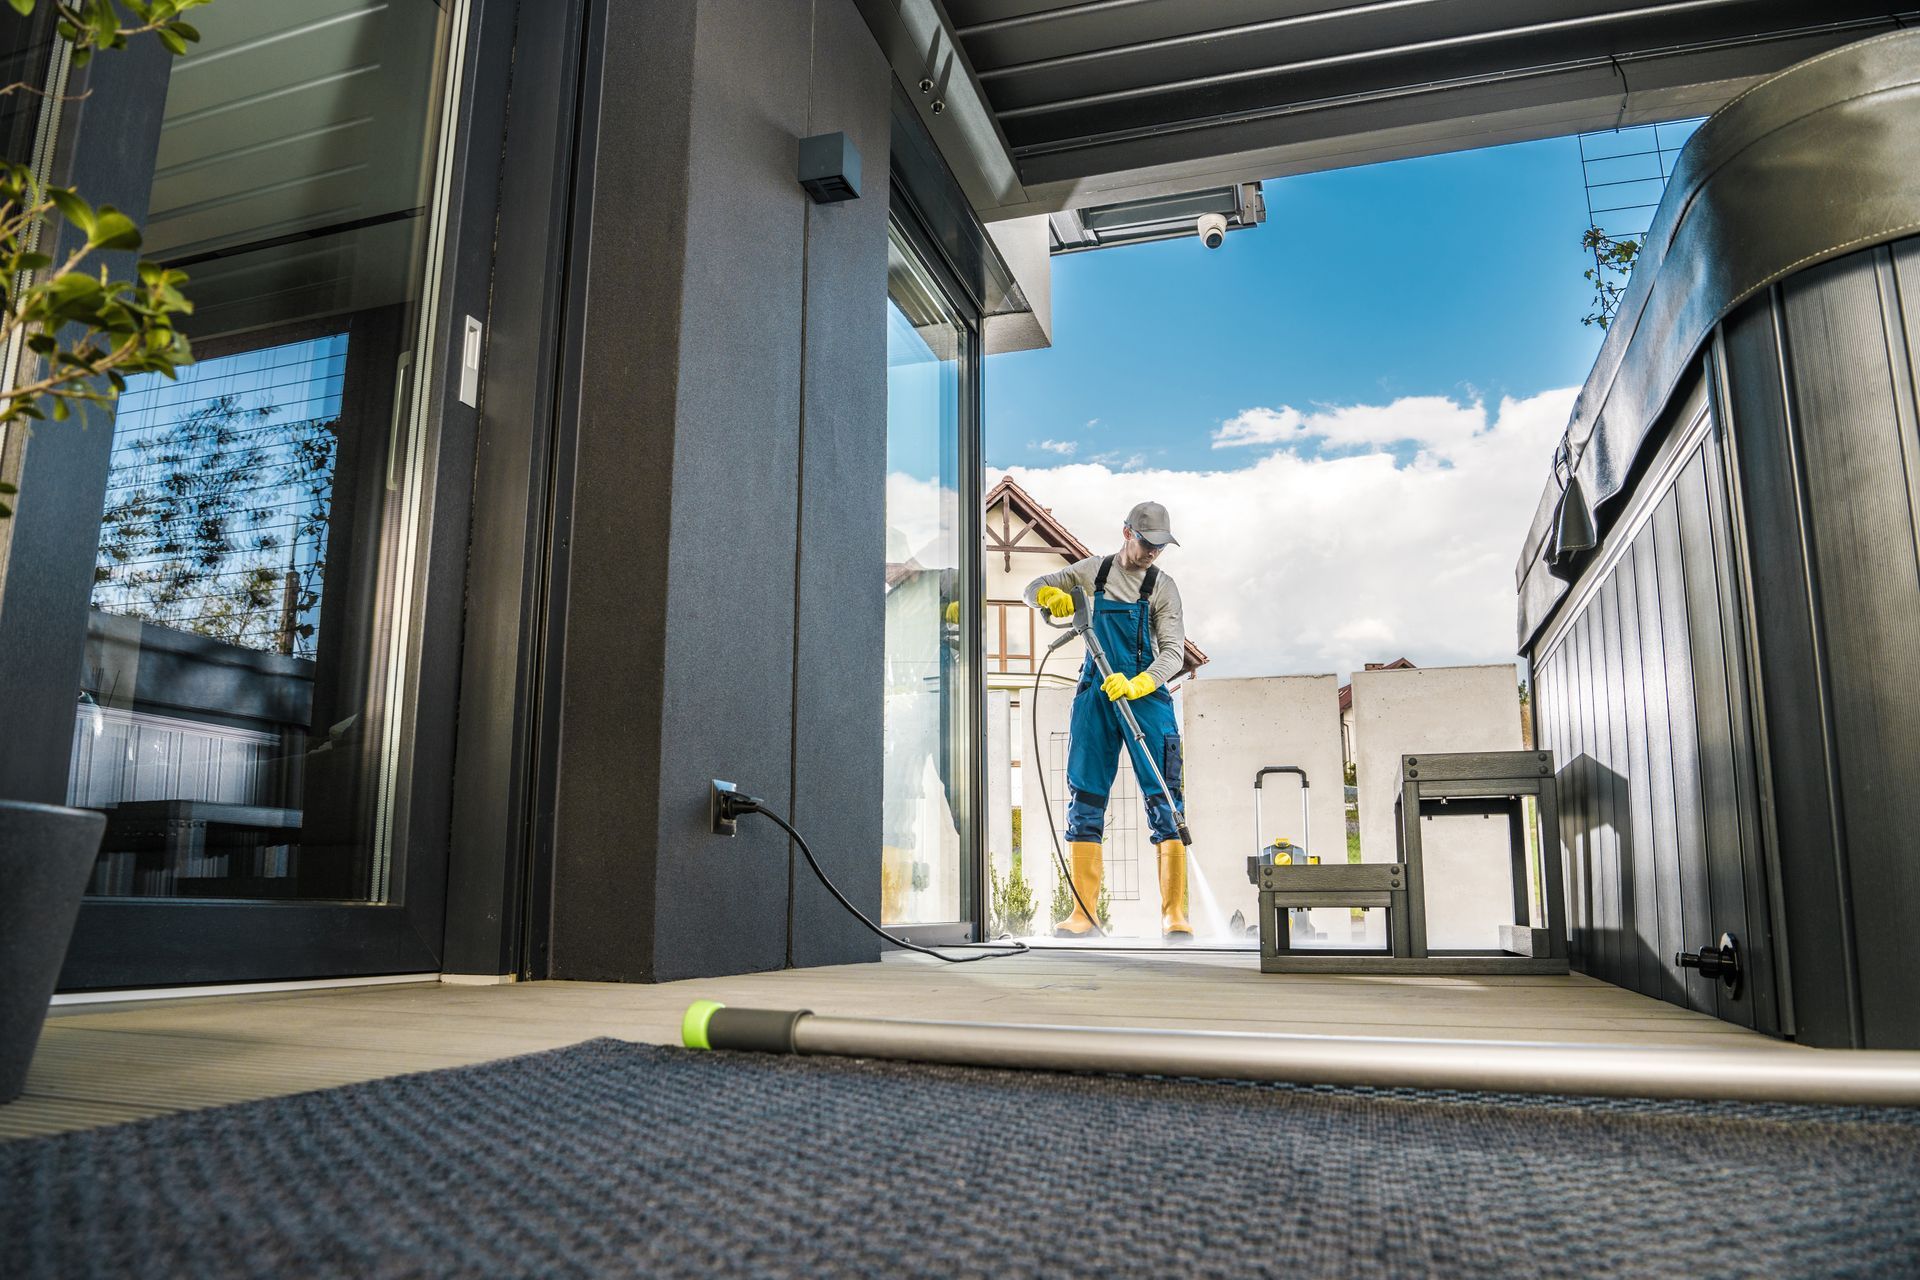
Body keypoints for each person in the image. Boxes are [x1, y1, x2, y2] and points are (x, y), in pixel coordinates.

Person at [1023, 500, 1191, 940]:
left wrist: (1138, 684)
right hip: (1096, 694)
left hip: (1146, 699)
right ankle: (1084, 915)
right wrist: (1049, 595)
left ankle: (1175, 915)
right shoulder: (1092, 572)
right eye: (1147, 542)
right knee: (1086, 797)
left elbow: (1174, 651)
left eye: (1160, 546)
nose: (1153, 552)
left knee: (1167, 801)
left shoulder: (1162, 586)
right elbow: (1032, 587)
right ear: (1127, 532)